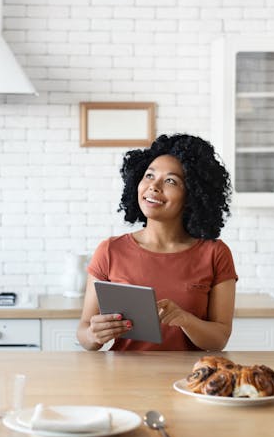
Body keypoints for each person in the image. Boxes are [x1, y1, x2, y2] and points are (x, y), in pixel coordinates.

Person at [76, 133, 237, 351]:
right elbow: (84, 332)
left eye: (171, 180)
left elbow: (219, 339)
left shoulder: (215, 253)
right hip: (124, 381)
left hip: (189, 382)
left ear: (193, 195)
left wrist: (185, 319)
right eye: (149, 176)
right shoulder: (110, 251)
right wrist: (94, 334)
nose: (154, 186)